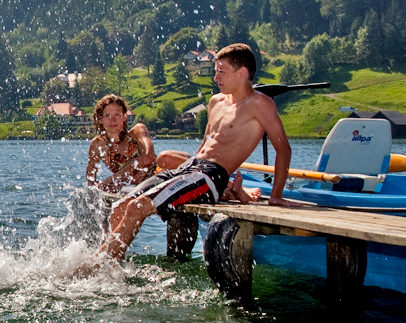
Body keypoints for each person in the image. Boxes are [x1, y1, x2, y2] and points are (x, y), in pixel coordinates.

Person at [90, 43, 299, 267]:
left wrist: (276, 193)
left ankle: (99, 266)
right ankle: (107, 261)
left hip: (211, 175)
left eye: (221, 71)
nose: (216, 77)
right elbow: (205, 145)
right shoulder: (216, 101)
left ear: (242, 73)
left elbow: (283, 149)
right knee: (122, 205)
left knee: (138, 207)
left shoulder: (260, 104)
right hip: (190, 168)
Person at [85, 95, 158, 193]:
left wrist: (112, 179)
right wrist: (106, 187)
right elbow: (90, 180)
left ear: (125, 116)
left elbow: (149, 157)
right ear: (100, 119)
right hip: (145, 189)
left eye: (117, 114)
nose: (112, 120)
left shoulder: (137, 132)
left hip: (163, 176)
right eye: (107, 115)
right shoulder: (97, 144)